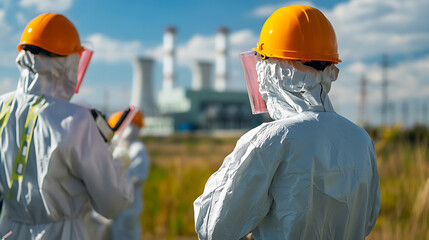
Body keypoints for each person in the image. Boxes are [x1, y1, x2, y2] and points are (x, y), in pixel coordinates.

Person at [194, 5, 380, 240]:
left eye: (261, 62)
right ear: (329, 67)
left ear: (275, 69)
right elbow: (368, 220)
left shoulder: (270, 139)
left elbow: (214, 229)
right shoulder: (360, 139)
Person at [0, 13, 133, 239]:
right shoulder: (77, 120)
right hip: (61, 233)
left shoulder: (2, 105)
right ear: (68, 62)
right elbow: (111, 202)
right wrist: (119, 160)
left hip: (9, 230)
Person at [108, 110, 151, 240]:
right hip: (114, 210)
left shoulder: (138, 149)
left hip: (129, 210)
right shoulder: (115, 147)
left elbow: (137, 176)